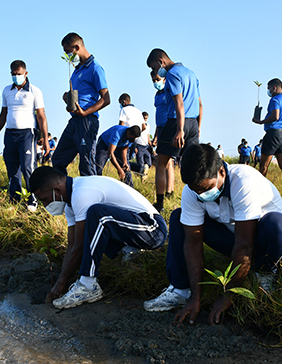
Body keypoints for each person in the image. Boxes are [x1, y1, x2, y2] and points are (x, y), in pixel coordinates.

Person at [143, 144, 282, 324]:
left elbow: (244, 245)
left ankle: (265, 273)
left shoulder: (243, 181)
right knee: (179, 218)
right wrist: (196, 298)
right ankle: (180, 289)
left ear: (221, 172)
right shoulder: (192, 191)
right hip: (237, 237)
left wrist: (228, 294)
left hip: (276, 238)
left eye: (206, 188)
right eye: (197, 191)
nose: (202, 195)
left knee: (274, 224)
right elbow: (193, 242)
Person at [29, 166, 167, 309]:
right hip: (134, 230)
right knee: (93, 221)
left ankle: (88, 285)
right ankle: (129, 251)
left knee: (97, 214)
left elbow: (80, 246)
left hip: (153, 229)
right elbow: (72, 245)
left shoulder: (81, 193)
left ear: (57, 190)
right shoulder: (70, 203)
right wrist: (59, 283)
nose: (45, 205)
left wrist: (61, 284)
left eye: (44, 200)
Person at [0, 60, 49, 212]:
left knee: (28, 167)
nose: (16, 77)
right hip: (10, 133)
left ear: (25, 73)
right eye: (13, 74)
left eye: (19, 74)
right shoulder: (7, 91)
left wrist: (46, 139)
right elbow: (3, 115)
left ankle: (32, 199)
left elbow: (41, 116)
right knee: (12, 168)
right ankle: (14, 200)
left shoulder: (35, 91)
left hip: (27, 133)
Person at [146, 48, 203, 212]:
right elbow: (200, 104)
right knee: (191, 164)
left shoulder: (172, 74)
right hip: (193, 123)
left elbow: (179, 103)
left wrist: (179, 130)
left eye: (153, 68)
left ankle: (160, 204)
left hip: (176, 123)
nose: (155, 72)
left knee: (161, 163)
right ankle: (196, 204)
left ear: (160, 62)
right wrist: (198, 127)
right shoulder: (191, 73)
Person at [52, 32, 110, 177]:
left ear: (77, 47)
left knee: (86, 165)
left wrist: (85, 112)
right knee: (57, 160)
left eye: (68, 52)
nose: (67, 56)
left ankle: (91, 199)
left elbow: (106, 98)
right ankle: (66, 195)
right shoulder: (77, 70)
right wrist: (67, 98)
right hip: (74, 121)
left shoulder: (95, 68)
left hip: (87, 121)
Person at [252, 78, 282, 192]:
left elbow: (275, 116)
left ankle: (260, 190)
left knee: (264, 165)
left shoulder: (275, 100)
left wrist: (261, 121)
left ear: (274, 88)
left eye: (269, 88)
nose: (268, 91)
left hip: (273, 133)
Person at [151, 70, 175, 200]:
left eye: (157, 79)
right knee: (162, 162)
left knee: (168, 162)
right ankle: (164, 191)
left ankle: (169, 192)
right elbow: (157, 116)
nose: (156, 82)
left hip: (169, 126)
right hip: (160, 128)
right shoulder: (157, 95)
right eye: (154, 80)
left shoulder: (169, 92)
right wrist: (155, 136)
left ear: (164, 79)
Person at [135, 112, 152, 179]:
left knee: (148, 160)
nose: (145, 120)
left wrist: (149, 141)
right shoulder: (138, 125)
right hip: (139, 144)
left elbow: (147, 135)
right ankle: (140, 176)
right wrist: (135, 147)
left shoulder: (148, 125)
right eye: (144, 118)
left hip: (145, 145)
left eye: (146, 118)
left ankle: (144, 173)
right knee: (140, 163)